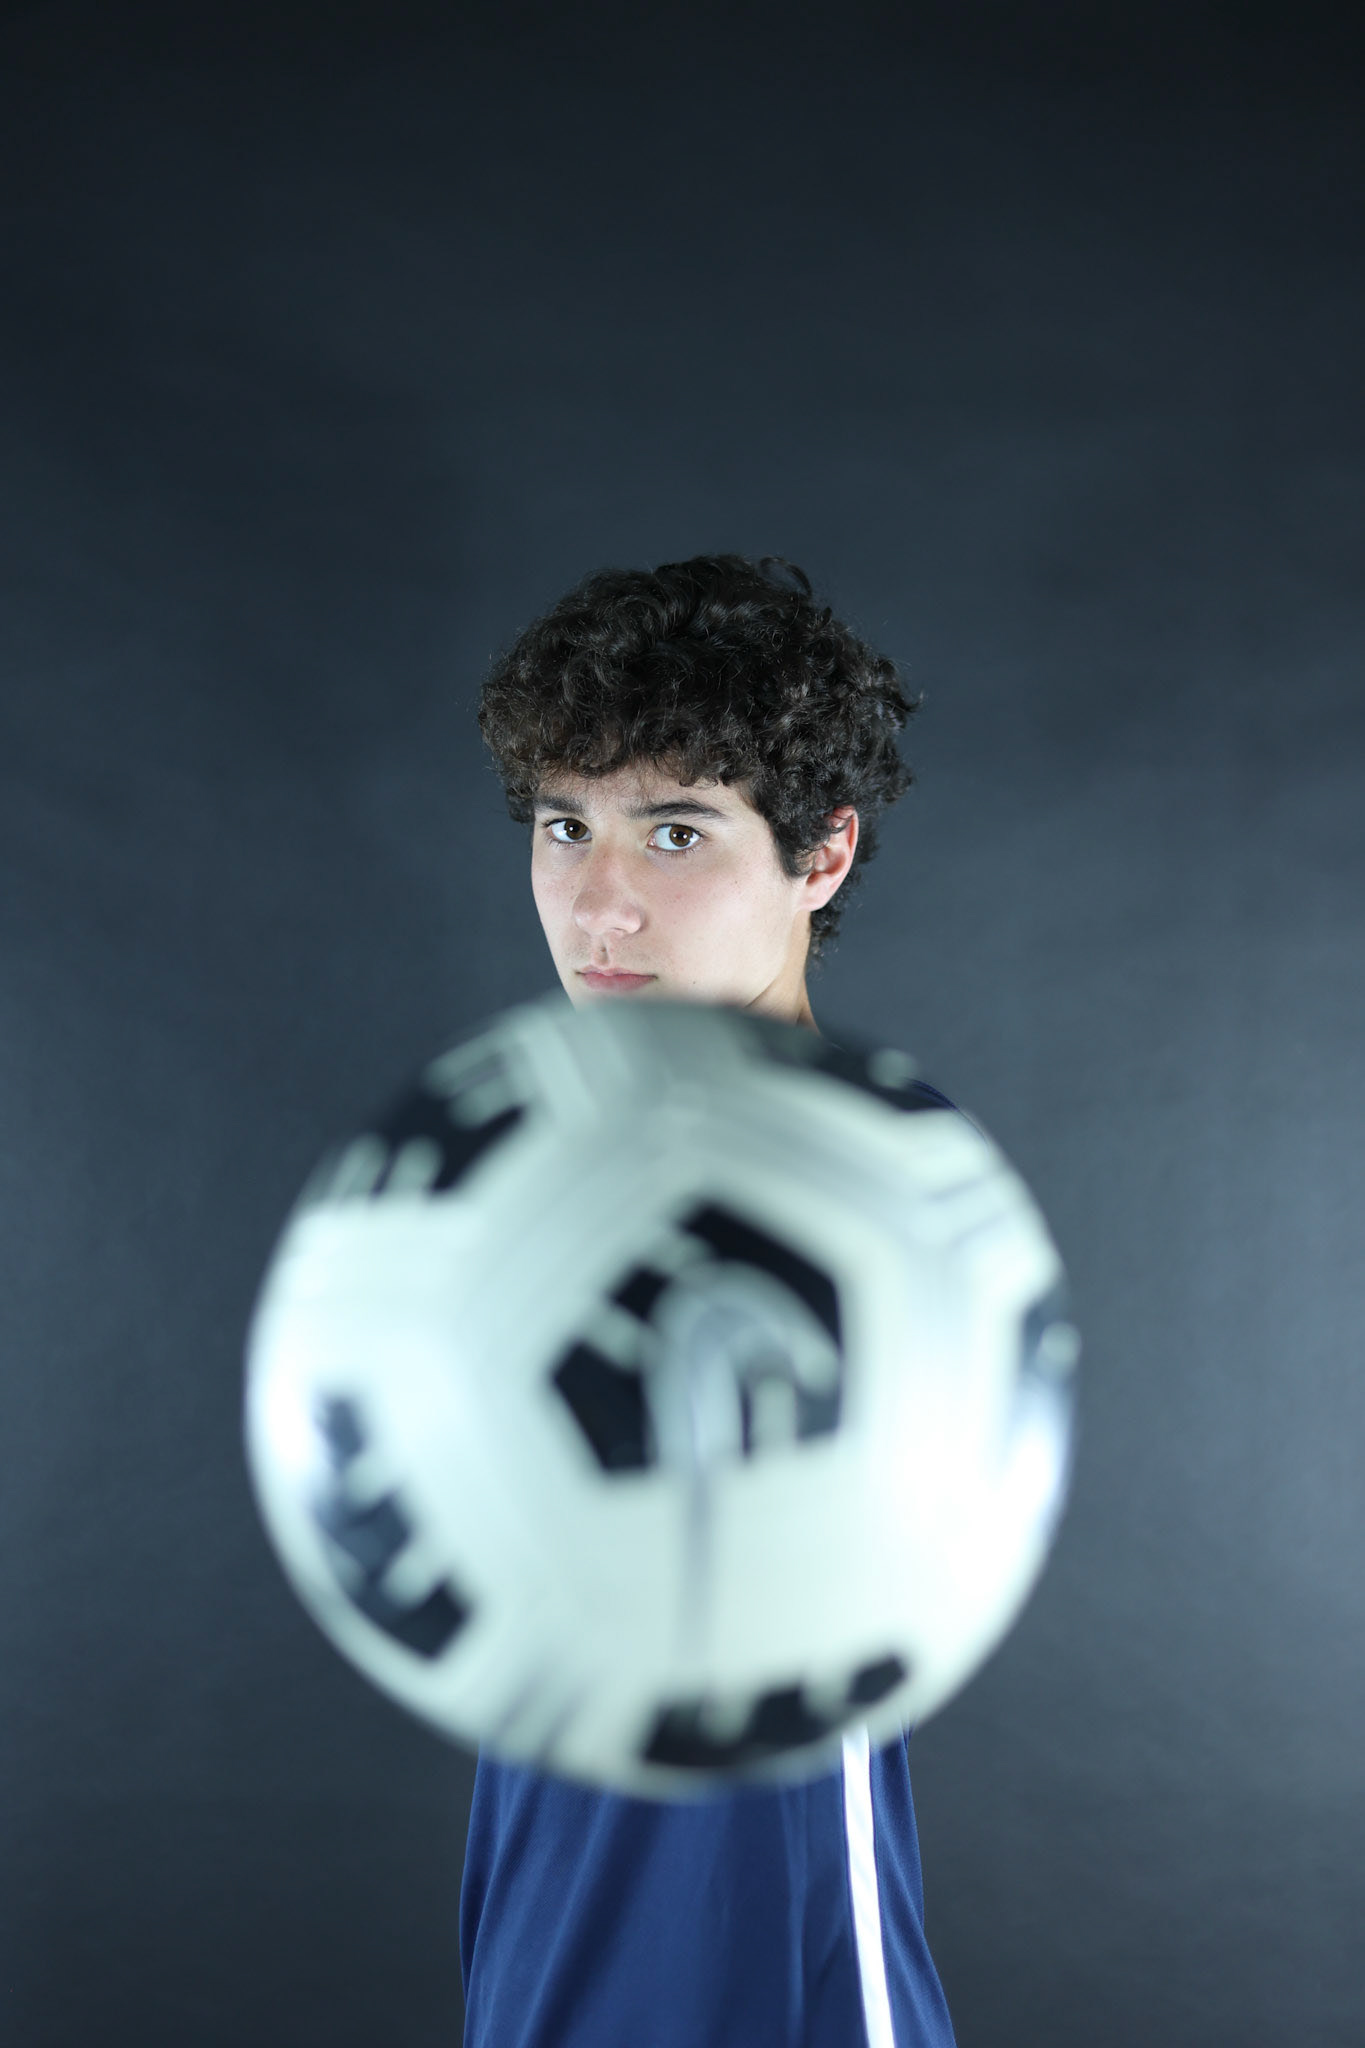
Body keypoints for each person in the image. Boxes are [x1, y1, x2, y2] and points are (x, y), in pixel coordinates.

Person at [460, 553, 957, 2048]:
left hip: (755, 1927)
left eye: (673, 832)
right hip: (547, 1886)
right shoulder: (551, 1166)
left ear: (820, 856)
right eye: (565, 827)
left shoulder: (872, 1172)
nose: (598, 904)